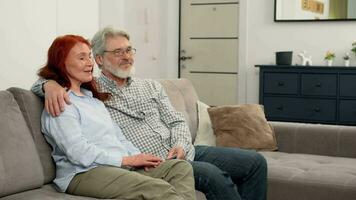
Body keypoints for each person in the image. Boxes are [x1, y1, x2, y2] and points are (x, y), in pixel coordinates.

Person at [32, 27, 267, 200]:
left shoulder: (146, 87)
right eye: (118, 52)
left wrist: (182, 144)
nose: (126, 56)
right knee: (212, 176)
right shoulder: (92, 87)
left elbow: (175, 120)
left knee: (255, 162)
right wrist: (49, 84)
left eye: (129, 50)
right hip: (141, 158)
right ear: (101, 59)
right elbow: (49, 82)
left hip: (179, 150)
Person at [36, 34, 196, 200]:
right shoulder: (60, 102)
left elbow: (118, 137)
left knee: (179, 168)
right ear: (61, 63)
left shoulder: (93, 100)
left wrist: (139, 158)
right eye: (81, 58)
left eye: (89, 56)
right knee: (157, 189)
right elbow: (78, 152)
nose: (90, 63)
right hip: (84, 173)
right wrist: (127, 160)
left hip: (118, 166)